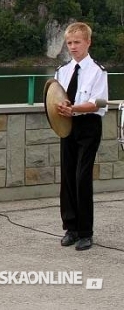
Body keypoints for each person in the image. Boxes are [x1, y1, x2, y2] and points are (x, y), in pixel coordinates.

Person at [55, 22, 108, 252]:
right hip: (67, 125)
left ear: (88, 42)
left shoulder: (98, 71)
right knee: (67, 176)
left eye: (77, 42)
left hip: (88, 126)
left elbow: (98, 103)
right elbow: (56, 95)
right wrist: (60, 106)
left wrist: (74, 109)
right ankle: (71, 228)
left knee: (81, 177)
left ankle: (86, 232)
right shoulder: (63, 71)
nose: (73, 47)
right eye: (69, 43)